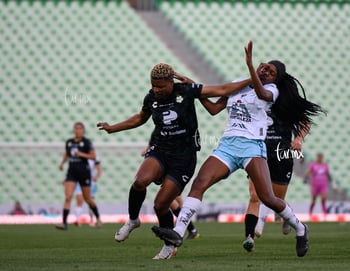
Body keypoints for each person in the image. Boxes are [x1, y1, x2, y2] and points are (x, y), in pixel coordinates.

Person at [152, 41, 309, 257]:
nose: (264, 71)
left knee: (267, 198)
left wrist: (250, 66)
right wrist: (194, 89)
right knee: (199, 184)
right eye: (264, 66)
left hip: (252, 147)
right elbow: (215, 109)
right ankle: (178, 232)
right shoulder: (238, 84)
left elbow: (262, 94)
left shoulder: (271, 90)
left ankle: (300, 228)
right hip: (227, 146)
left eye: (270, 72)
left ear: (275, 80)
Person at [97, 63, 251, 259]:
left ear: (171, 82)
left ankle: (169, 246)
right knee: (139, 181)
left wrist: (253, 79)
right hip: (161, 149)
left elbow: (221, 90)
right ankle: (133, 220)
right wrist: (113, 128)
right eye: (154, 86)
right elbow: (140, 118)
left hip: (184, 156)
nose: (156, 90)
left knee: (161, 205)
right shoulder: (151, 97)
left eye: (161, 86)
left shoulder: (186, 91)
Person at [245, 61, 325, 250]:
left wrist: (298, 140)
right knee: (255, 195)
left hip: (281, 153)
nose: (265, 73)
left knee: (275, 199)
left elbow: (305, 121)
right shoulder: (253, 93)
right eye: (264, 70)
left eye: (270, 72)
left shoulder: (284, 98)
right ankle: (251, 234)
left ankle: (288, 218)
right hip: (259, 150)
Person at [140, 145, 200, 239]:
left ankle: (175, 231)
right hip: (171, 176)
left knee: (170, 203)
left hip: (175, 175)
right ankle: (191, 230)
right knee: (177, 205)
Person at [56, 122, 102, 230]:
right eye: (76, 128)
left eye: (80, 129)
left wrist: (81, 154)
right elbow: (67, 153)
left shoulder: (86, 142)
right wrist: (62, 163)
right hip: (71, 172)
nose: (78, 130)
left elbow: (93, 157)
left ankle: (98, 218)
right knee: (68, 197)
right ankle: (64, 223)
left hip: (84, 172)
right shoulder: (69, 142)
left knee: (87, 198)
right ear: (74, 130)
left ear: (83, 130)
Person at [74, 155, 102, 226]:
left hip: (90, 181)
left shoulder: (94, 155)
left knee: (90, 201)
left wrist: (96, 177)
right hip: (79, 180)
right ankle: (78, 220)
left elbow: (99, 168)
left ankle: (92, 220)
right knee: (79, 199)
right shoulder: (78, 154)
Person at [305, 152, 331, 217]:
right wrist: (305, 178)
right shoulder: (313, 165)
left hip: (323, 185)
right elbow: (308, 172)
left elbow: (328, 174)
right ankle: (310, 213)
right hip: (315, 185)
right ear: (317, 157)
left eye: (321, 157)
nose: (319, 158)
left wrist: (331, 180)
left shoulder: (325, 165)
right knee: (314, 200)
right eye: (318, 157)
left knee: (324, 198)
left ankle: (325, 213)